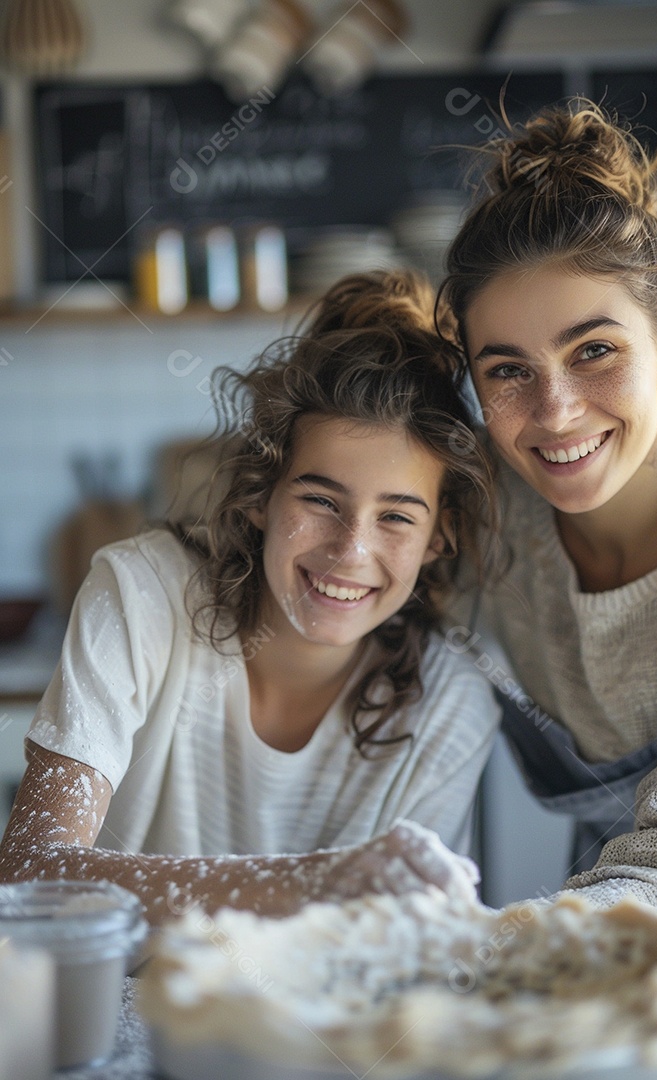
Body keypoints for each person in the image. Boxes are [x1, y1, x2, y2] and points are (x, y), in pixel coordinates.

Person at [0, 270, 500, 925]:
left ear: (439, 538)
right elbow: (29, 874)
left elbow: (410, 950)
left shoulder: (451, 705)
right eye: (320, 500)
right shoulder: (142, 595)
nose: (350, 551)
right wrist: (313, 883)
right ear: (262, 496)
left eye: (397, 517)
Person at [439, 98, 657, 930]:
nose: (556, 413)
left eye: (593, 351)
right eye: (508, 370)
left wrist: (521, 948)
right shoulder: (487, 511)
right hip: (603, 921)